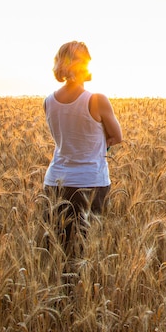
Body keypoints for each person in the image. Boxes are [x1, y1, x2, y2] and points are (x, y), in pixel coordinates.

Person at [43, 41, 123, 256]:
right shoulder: (97, 100)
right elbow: (117, 136)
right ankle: (79, 290)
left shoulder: (48, 101)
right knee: (85, 251)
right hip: (89, 183)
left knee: (57, 249)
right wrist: (99, 146)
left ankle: (59, 289)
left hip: (54, 182)